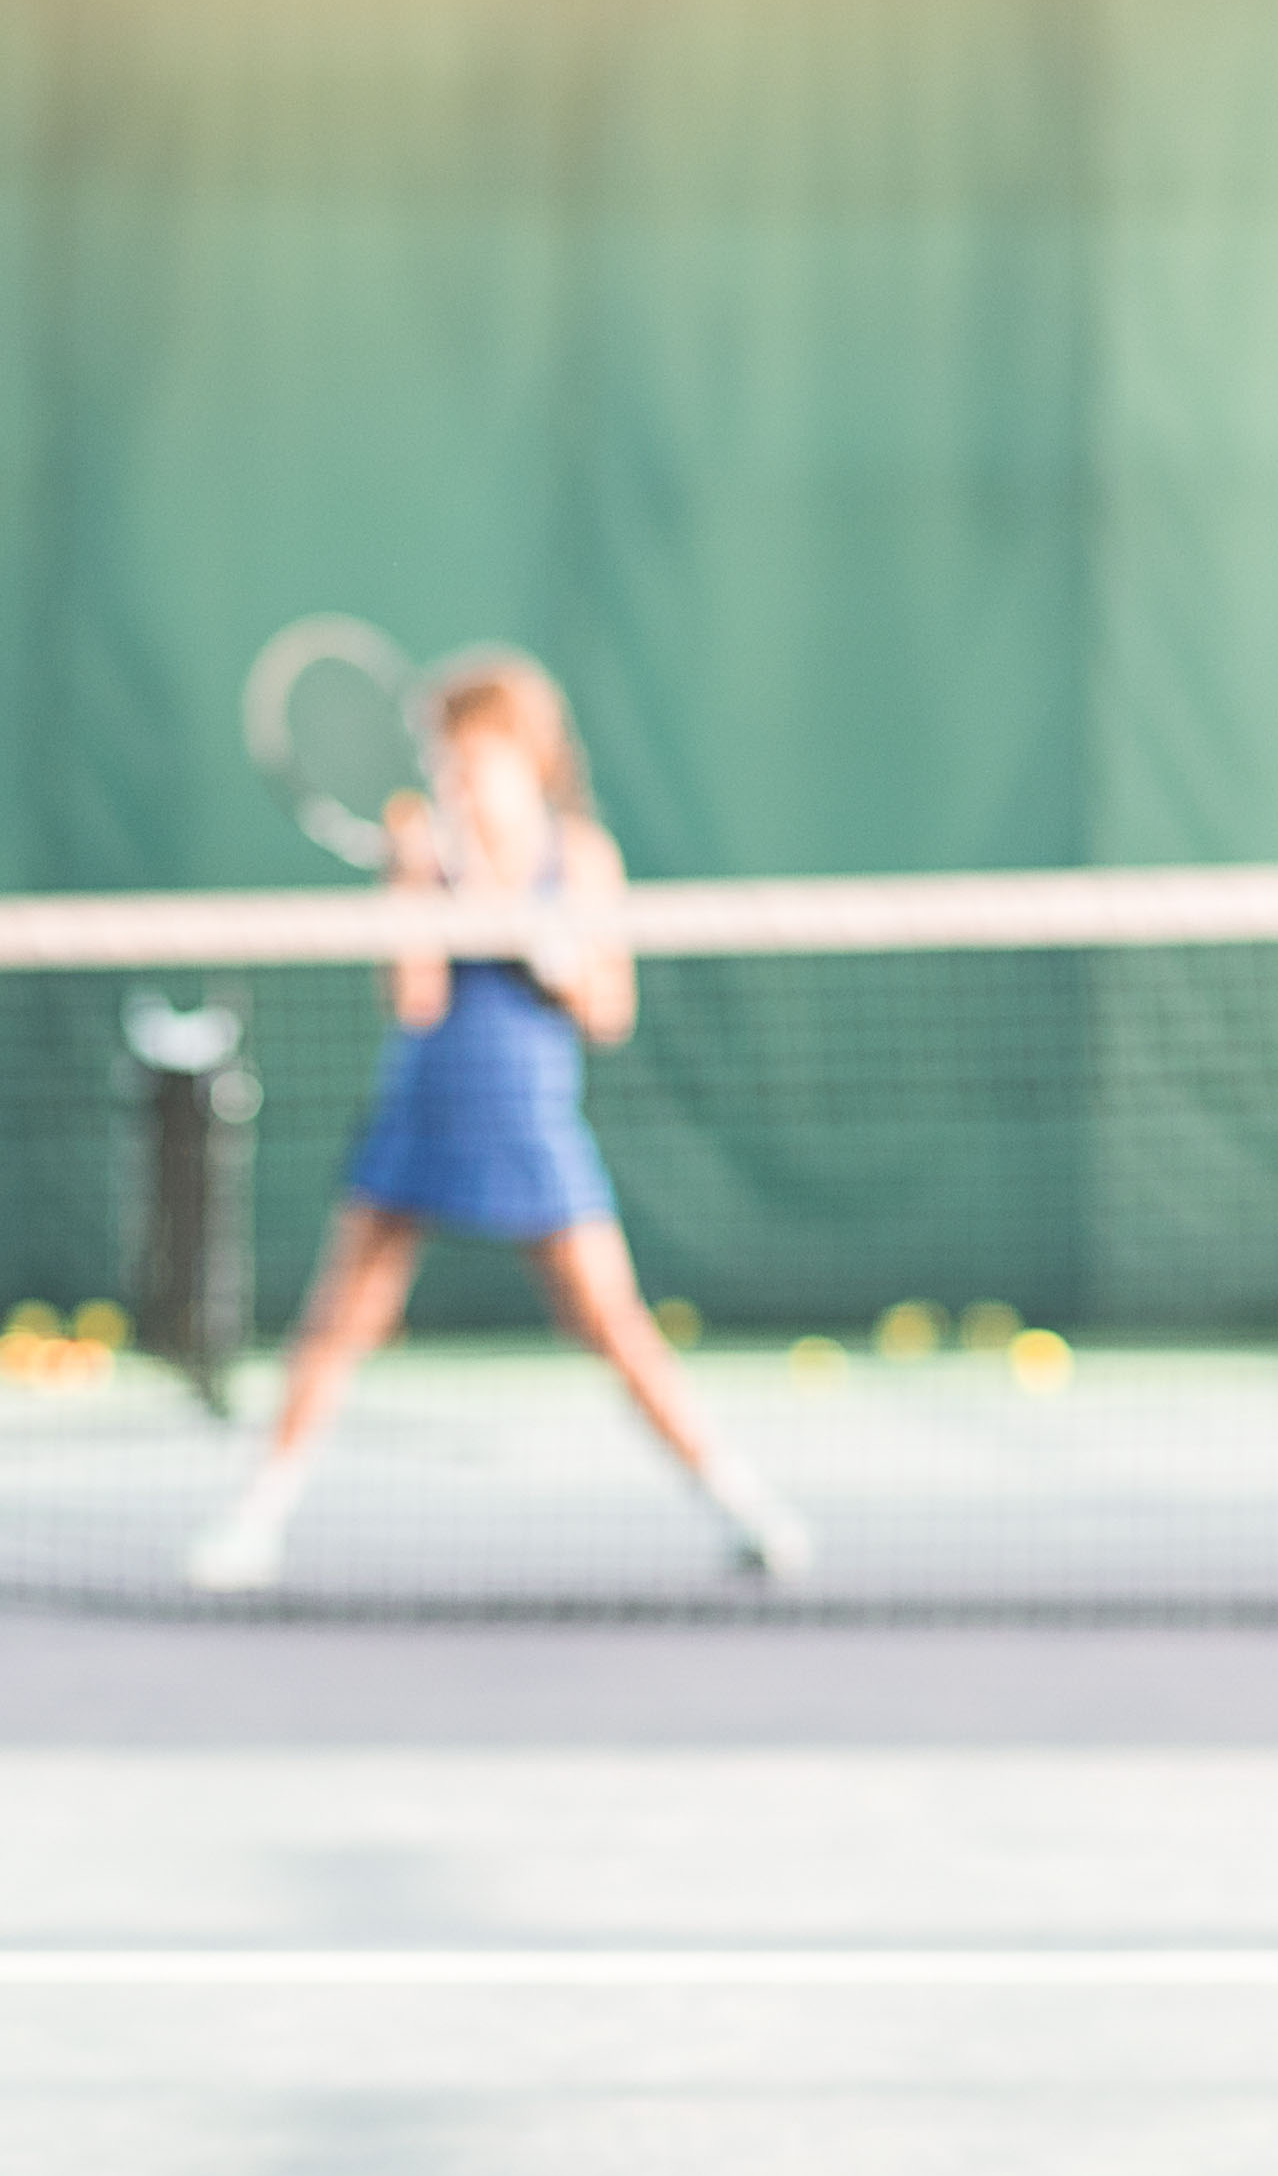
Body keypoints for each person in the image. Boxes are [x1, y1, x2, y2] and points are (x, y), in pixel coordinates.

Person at [183, 649, 815, 1593]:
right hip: (423, 1112)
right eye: (442, 758)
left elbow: (609, 1014)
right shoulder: (423, 857)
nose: (454, 775)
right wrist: (422, 894)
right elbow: (413, 1002)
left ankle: (743, 1504)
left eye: (472, 757)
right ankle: (255, 1519)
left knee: (614, 1324)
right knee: (339, 1324)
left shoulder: (582, 857)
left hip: (531, 1125)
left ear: (529, 756)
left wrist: (551, 950)